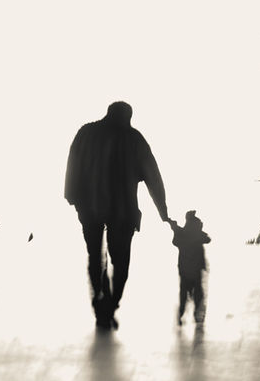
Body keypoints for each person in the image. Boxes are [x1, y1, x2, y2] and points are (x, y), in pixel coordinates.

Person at [64, 101, 169, 330]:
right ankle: (111, 304)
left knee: (95, 256)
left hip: (90, 207)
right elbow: (153, 176)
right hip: (123, 211)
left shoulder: (86, 133)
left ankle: (99, 298)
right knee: (121, 261)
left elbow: (73, 164)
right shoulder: (134, 138)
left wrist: (71, 195)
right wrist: (163, 211)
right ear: (128, 116)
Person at [169, 210, 211, 324]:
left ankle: (181, 313)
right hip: (195, 269)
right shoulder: (195, 233)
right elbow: (207, 239)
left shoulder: (182, 233)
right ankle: (196, 315)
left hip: (184, 269)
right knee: (196, 292)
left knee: (184, 292)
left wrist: (175, 228)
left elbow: (175, 241)